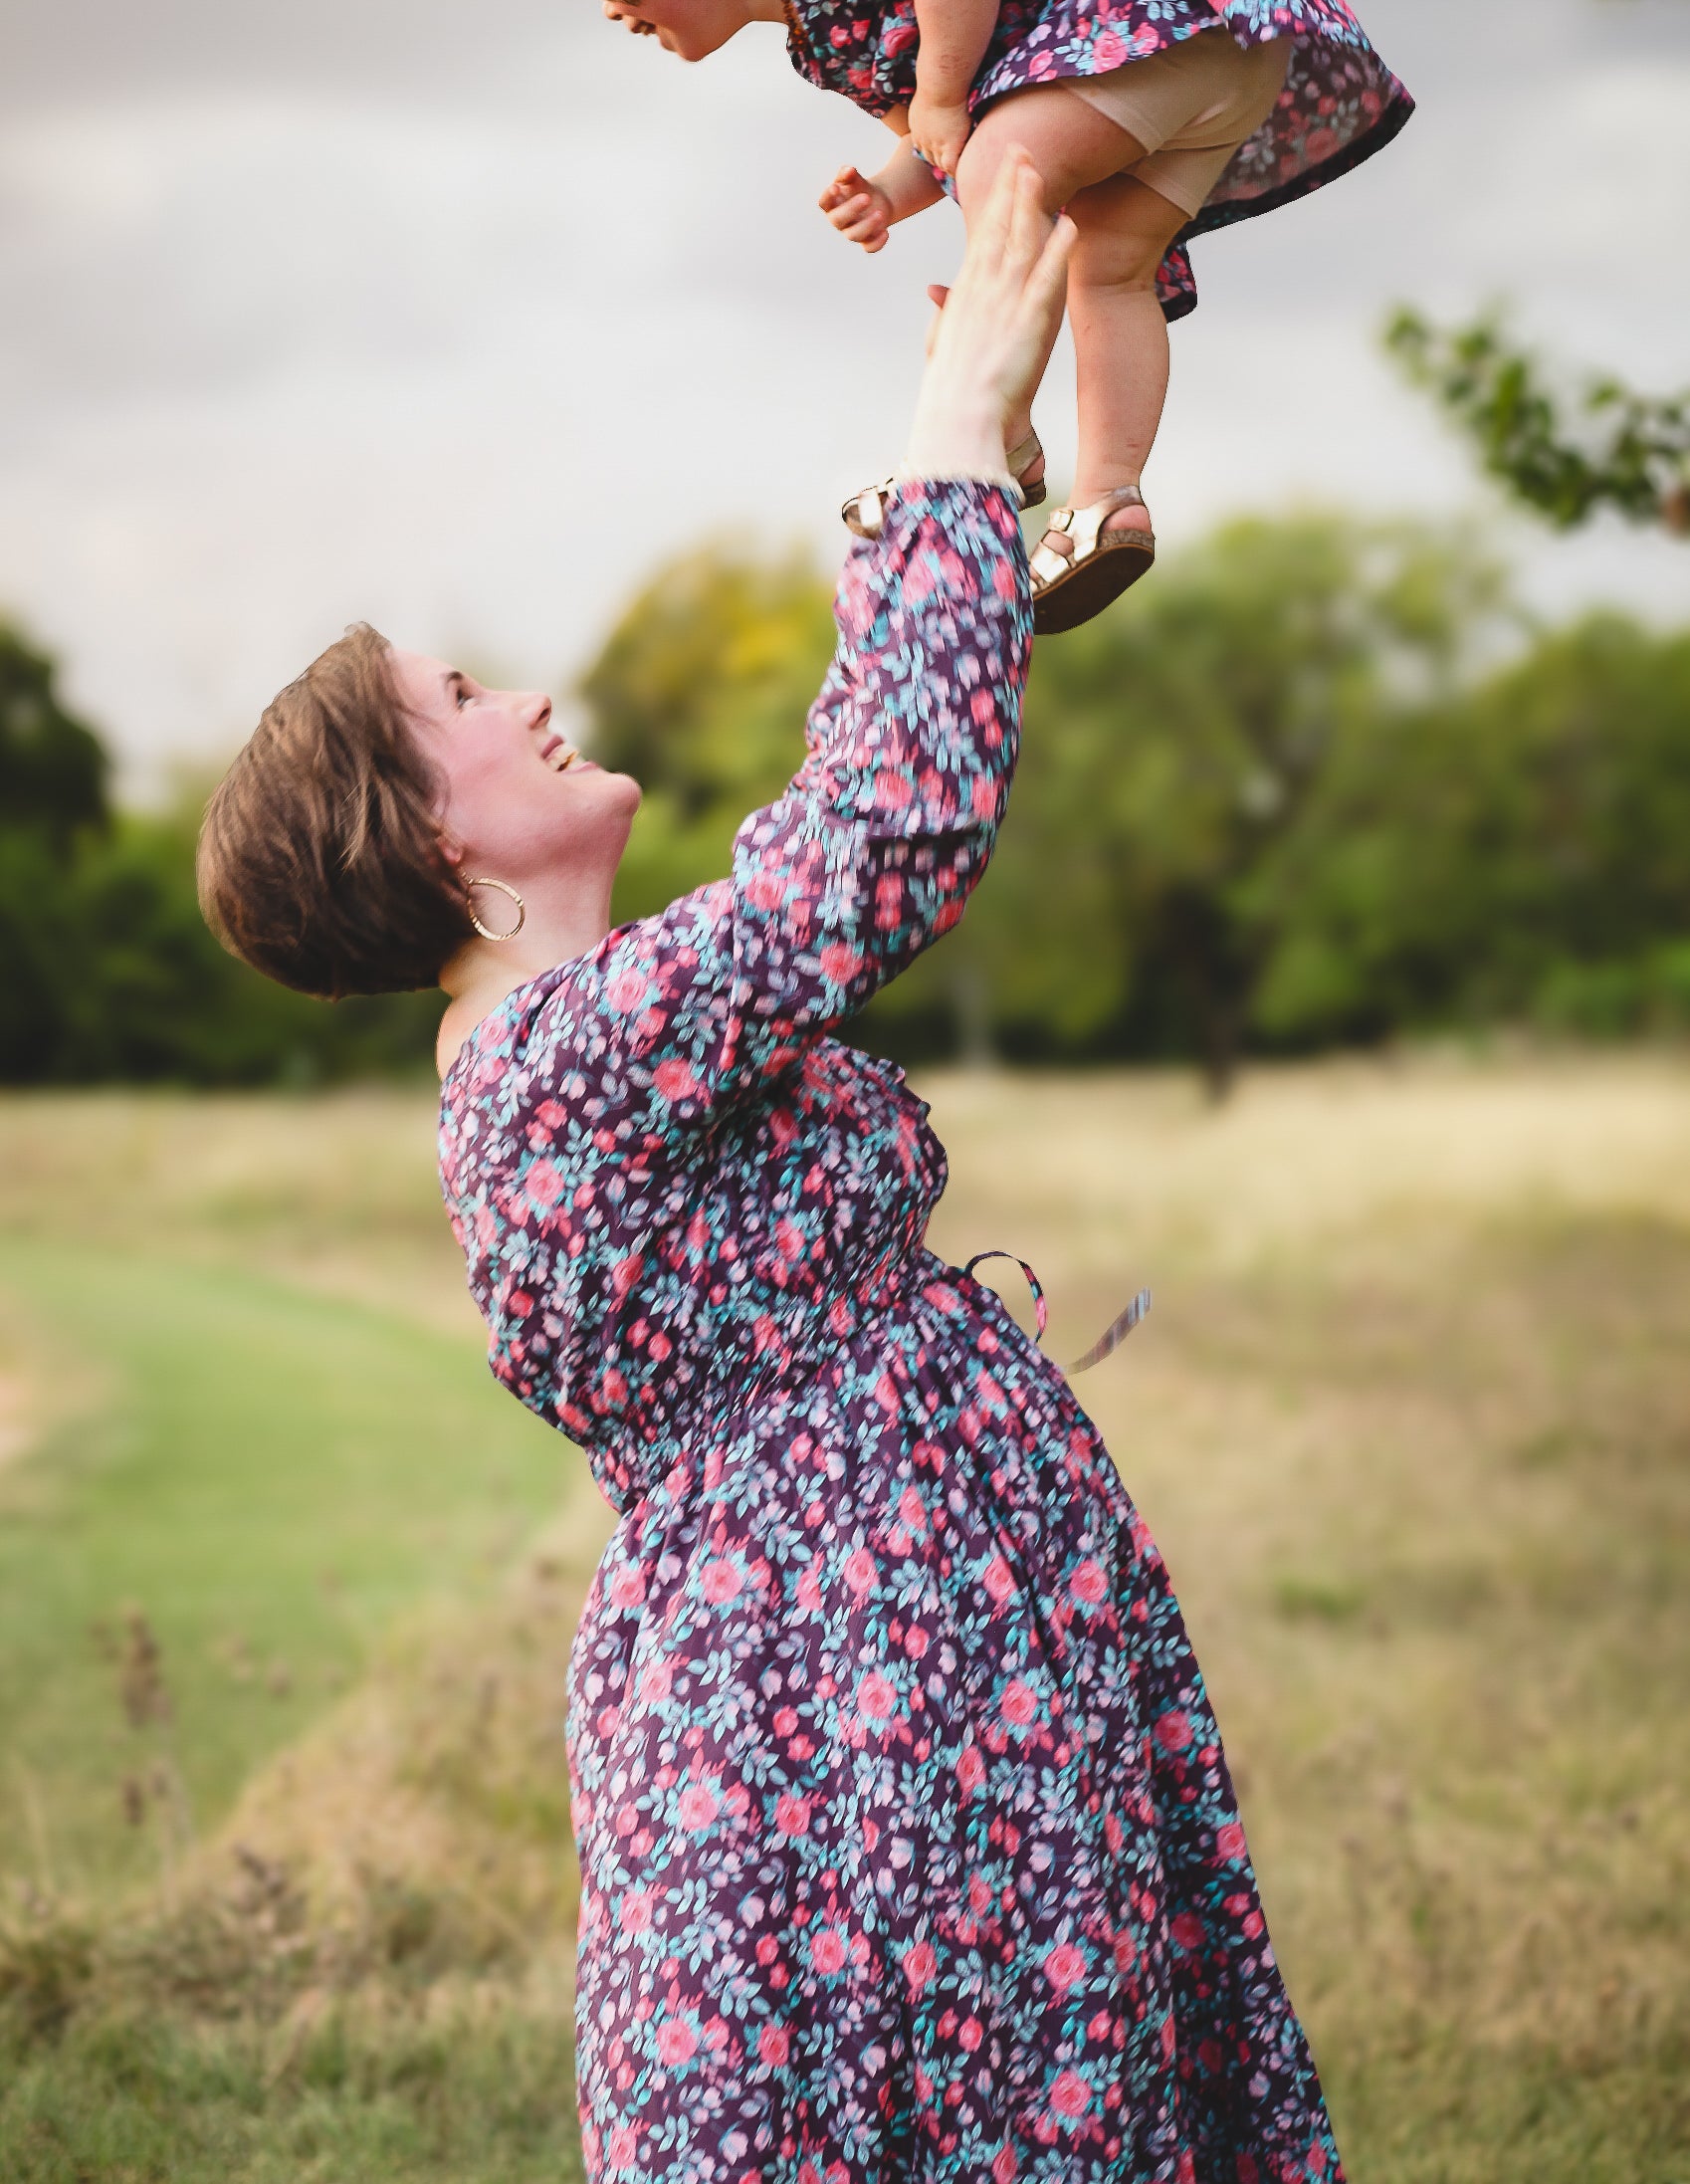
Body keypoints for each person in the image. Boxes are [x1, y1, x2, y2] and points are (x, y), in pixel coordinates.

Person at [198, 154, 1346, 2183]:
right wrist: (937, 446)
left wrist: (978, 449)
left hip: (901, 1639)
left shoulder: (602, 1020)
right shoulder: (549, 1067)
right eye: (466, 702)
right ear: (432, 846)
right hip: (849, 1693)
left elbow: (836, 812)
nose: (530, 694)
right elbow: (877, 832)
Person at [513, 0, 1412, 631]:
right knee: (1105, 266)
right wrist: (891, 189)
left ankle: (993, 435)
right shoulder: (818, 29)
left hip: (1162, 11)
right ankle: (1107, 502)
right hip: (1217, 64)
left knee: (1009, 175)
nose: (608, 4)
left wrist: (940, 98)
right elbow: (953, 140)